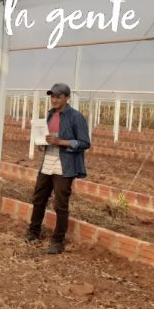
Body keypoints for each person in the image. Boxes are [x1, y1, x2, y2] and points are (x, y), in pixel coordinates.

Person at [25, 83, 91, 254]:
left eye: (58, 97)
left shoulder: (75, 117)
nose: (54, 100)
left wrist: (60, 142)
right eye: (52, 97)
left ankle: (57, 241)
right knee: (39, 198)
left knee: (60, 204)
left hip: (64, 165)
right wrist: (42, 143)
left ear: (67, 98)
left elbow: (84, 143)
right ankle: (33, 231)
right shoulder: (50, 115)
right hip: (47, 161)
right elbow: (48, 137)